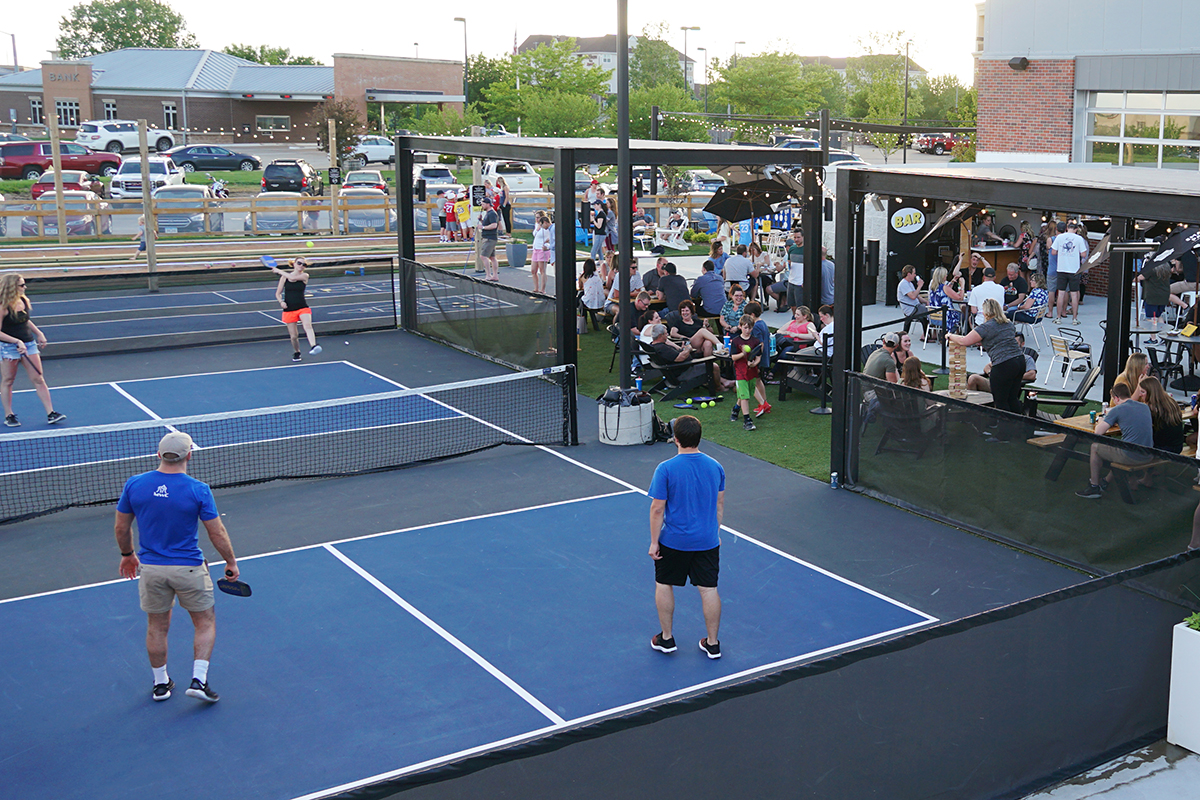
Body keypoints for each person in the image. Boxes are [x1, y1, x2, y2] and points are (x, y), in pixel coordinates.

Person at [115, 431, 239, 702]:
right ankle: (198, 680)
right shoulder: (198, 489)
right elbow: (216, 532)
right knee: (205, 623)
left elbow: (121, 526)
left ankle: (161, 685)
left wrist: (127, 555)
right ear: (189, 455)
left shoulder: (134, 484)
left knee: (156, 626)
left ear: (158, 455)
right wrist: (230, 561)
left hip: (151, 570)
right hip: (190, 570)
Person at [648, 415, 725, 659]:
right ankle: (712, 643)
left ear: (676, 439)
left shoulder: (666, 469)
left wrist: (653, 541)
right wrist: (716, 532)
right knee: (709, 589)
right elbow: (719, 504)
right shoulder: (716, 466)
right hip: (707, 541)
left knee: (664, 583)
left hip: (674, 542)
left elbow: (657, 509)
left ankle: (667, 639)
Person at [0, 273, 65, 427]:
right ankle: (9, 414)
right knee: (8, 380)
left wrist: (39, 334)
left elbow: (25, 320)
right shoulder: (2, 307)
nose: (25, 287)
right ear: (12, 287)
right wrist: (16, 341)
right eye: (22, 285)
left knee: (38, 378)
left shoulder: (23, 300)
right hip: (9, 347)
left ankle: (51, 413)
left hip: (29, 344)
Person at [1076, 382, 1154, 499]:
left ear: (1116, 398)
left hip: (1131, 456)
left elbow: (1098, 432)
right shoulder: (1144, 406)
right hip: (1149, 454)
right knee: (1118, 449)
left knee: (1095, 447)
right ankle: (1105, 481)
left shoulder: (1117, 410)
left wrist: (1102, 419)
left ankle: (1094, 486)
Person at [947, 298, 1024, 414]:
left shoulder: (985, 327)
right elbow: (1000, 338)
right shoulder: (1009, 324)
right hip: (1020, 361)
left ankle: (1005, 429)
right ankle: (1021, 427)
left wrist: (949, 336)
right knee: (1012, 398)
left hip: (1003, 364)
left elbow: (964, 341)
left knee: (1000, 401)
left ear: (986, 312)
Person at [270, 257, 322, 362]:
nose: (301, 266)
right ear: (294, 264)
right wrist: (281, 302)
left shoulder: (304, 276)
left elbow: (292, 278)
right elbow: (278, 293)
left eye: (304, 265)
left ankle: (313, 345)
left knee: (307, 326)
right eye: (299, 263)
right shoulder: (284, 278)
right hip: (289, 309)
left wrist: (278, 271)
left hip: (302, 307)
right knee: (294, 336)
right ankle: (297, 352)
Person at [967, 332, 1037, 392]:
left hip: (1008, 388)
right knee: (972, 378)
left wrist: (1010, 377)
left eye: (1015, 343)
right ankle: (972, 406)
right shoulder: (1003, 356)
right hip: (994, 384)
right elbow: (987, 367)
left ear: (1022, 344)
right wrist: (991, 373)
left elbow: (1032, 375)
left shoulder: (1027, 359)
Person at [729, 315, 762, 431]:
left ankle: (736, 409)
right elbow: (733, 357)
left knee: (746, 393)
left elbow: (758, 356)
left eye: (749, 328)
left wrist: (754, 363)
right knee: (745, 397)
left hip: (751, 372)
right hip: (740, 372)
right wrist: (742, 354)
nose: (747, 330)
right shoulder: (736, 341)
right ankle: (747, 420)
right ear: (740, 327)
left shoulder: (755, 341)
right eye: (745, 328)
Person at [1052, 220, 1089, 324]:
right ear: (1076, 229)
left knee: (1061, 294)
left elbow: (1053, 252)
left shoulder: (1059, 237)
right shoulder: (1079, 239)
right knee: (1074, 295)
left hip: (1061, 269)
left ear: (1067, 228)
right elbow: (1084, 254)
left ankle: (1058, 317)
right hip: (1074, 270)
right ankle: (1074, 319)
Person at [929, 263, 966, 336]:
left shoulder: (933, 286)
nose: (946, 275)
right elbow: (960, 298)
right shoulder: (944, 287)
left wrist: (952, 281)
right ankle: (955, 335)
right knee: (962, 315)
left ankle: (947, 333)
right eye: (945, 274)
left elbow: (945, 291)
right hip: (946, 316)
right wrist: (962, 286)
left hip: (934, 316)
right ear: (943, 276)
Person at [897, 264, 927, 336]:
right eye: (914, 273)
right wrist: (919, 286)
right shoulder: (904, 284)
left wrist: (926, 302)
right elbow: (913, 296)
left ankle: (928, 333)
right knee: (931, 312)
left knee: (931, 308)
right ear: (909, 274)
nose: (915, 275)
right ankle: (926, 335)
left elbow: (917, 296)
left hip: (916, 306)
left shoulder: (909, 283)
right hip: (912, 309)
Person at [577, 258, 605, 331]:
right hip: (600, 301)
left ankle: (583, 320)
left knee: (580, 299)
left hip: (590, 301)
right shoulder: (598, 275)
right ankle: (588, 321)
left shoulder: (583, 277)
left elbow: (580, 287)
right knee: (582, 297)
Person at [478, 197, 501, 283]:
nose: (482, 206)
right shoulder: (488, 213)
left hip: (490, 238)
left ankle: (488, 274)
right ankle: (494, 275)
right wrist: (481, 221)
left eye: (483, 204)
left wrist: (483, 227)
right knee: (492, 257)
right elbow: (489, 223)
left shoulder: (492, 213)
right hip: (489, 237)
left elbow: (494, 225)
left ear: (488, 204)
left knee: (483, 256)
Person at [531, 214, 551, 292]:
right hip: (536, 249)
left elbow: (551, 236)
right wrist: (537, 228)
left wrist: (547, 244)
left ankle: (542, 289)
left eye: (538, 217)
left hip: (542, 249)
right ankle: (536, 288)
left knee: (542, 270)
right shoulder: (537, 226)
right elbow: (535, 234)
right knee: (533, 270)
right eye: (536, 217)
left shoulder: (546, 228)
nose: (537, 219)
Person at [786, 231, 805, 311]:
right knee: (792, 305)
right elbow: (789, 262)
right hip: (791, 281)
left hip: (800, 283)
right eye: (795, 237)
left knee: (800, 306)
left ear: (803, 237)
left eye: (798, 237)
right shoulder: (792, 249)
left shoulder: (806, 249)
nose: (796, 239)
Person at [590, 193, 607, 261]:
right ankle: (602, 263)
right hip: (599, 234)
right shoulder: (601, 214)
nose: (594, 207)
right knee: (599, 251)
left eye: (595, 205)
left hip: (600, 234)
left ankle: (592, 265)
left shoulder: (601, 214)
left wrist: (593, 220)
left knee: (593, 251)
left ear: (599, 205)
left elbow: (599, 226)